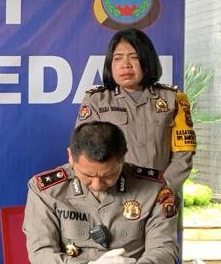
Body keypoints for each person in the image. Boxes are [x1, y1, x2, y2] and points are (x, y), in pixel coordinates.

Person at [23, 122, 179, 264]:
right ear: (70, 156)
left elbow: (164, 249)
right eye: (87, 175)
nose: (97, 185)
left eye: (108, 175)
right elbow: (40, 254)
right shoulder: (47, 191)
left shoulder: (153, 189)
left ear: (123, 158)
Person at [76, 28, 196, 188]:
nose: (126, 65)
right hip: (113, 193)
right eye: (118, 58)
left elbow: (183, 154)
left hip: (162, 194)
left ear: (147, 61)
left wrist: (163, 189)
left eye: (134, 57)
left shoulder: (173, 99)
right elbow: (84, 153)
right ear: (110, 64)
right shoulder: (96, 101)